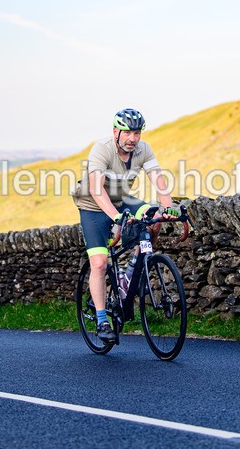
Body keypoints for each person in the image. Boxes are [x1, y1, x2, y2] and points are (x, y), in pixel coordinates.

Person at [72, 108, 178, 342]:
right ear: (115, 132)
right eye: (128, 133)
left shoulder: (144, 149)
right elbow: (96, 189)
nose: (133, 138)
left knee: (153, 216)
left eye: (137, 133)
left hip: (122, 200)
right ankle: (101, 319)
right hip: (93, 205)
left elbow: (159, 181)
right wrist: (116, 217)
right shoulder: (102, 149)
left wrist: (168, 207)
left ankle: (132, 269)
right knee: (99, 263)